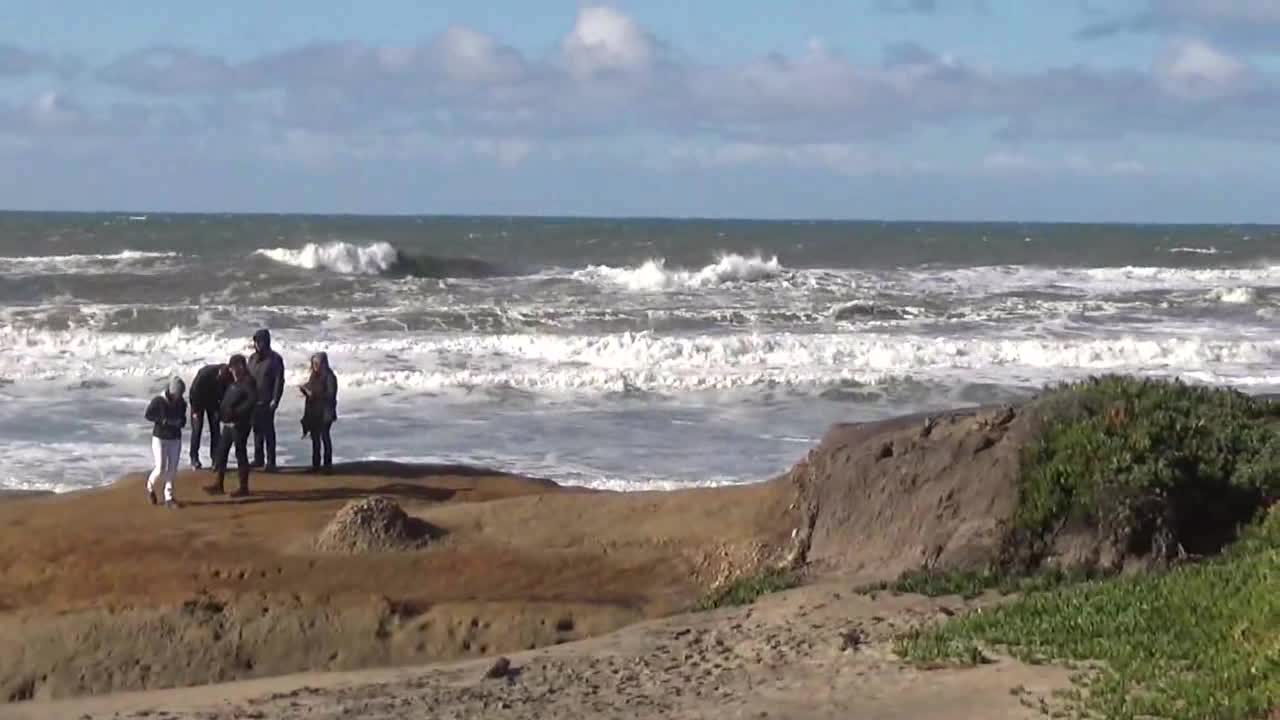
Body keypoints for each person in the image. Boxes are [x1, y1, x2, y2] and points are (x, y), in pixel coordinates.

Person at [206, 354, 258, 497]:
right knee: (221, 452)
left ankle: (243, 488)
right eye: (230, 368)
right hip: (228, 424)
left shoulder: (248, 382)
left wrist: (236, 412)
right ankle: (218, 485)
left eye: (233, 367)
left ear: (240, 366)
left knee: (240, 453)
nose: (231, 370)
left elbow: (252, 400)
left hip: (240, 424)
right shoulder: (234, 381)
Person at [144, 377, 187, 508]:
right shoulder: (159, 401)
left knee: (173, 468)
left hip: (175, 438)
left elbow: (183, 419)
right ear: (172, 391)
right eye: (177, 393)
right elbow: (148, 415)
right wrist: (162, 421)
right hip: (160, 438)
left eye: (181, 394)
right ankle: (150, 486)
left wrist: (181, 422)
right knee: (160, 467)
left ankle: (169, 497)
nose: (179, 396)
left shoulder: (182, 403)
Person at [247, 328, 285, 472]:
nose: (257, 344)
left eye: (259, 341)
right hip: (253, 399)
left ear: (266, 341)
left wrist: (275, 399)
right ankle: (258, 458)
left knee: (268, 431)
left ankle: (271, 461)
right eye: (256, 341)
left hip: (267, 400)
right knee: (256, 430)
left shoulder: (275, 359)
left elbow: (278, 381)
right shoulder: (252, 359)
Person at [300, 351, 339, 473]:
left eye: (317, 363)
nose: (315, 366)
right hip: (314, 412)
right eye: (314, 363)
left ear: (323, 363)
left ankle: (328, 466)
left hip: (325, 412)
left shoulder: (330, 377)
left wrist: (314, 394)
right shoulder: (314, 375)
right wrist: (304, 389)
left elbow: (331, 395)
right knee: (315, 439)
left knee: (325, 438)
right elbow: (311, 386)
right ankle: (315, 465)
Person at [188, 362, 232, 470]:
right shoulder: (205, 373)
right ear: (219, 371)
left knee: (215, 430)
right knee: (197, 430)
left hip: (214, 403)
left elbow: (228, 395)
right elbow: (193, 391)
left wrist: (224, 410)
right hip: (198, 401)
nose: (221, 379)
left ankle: (215, 458)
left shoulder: (229, 377)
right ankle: (194, 458)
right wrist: (195, 411)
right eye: (220, 377)